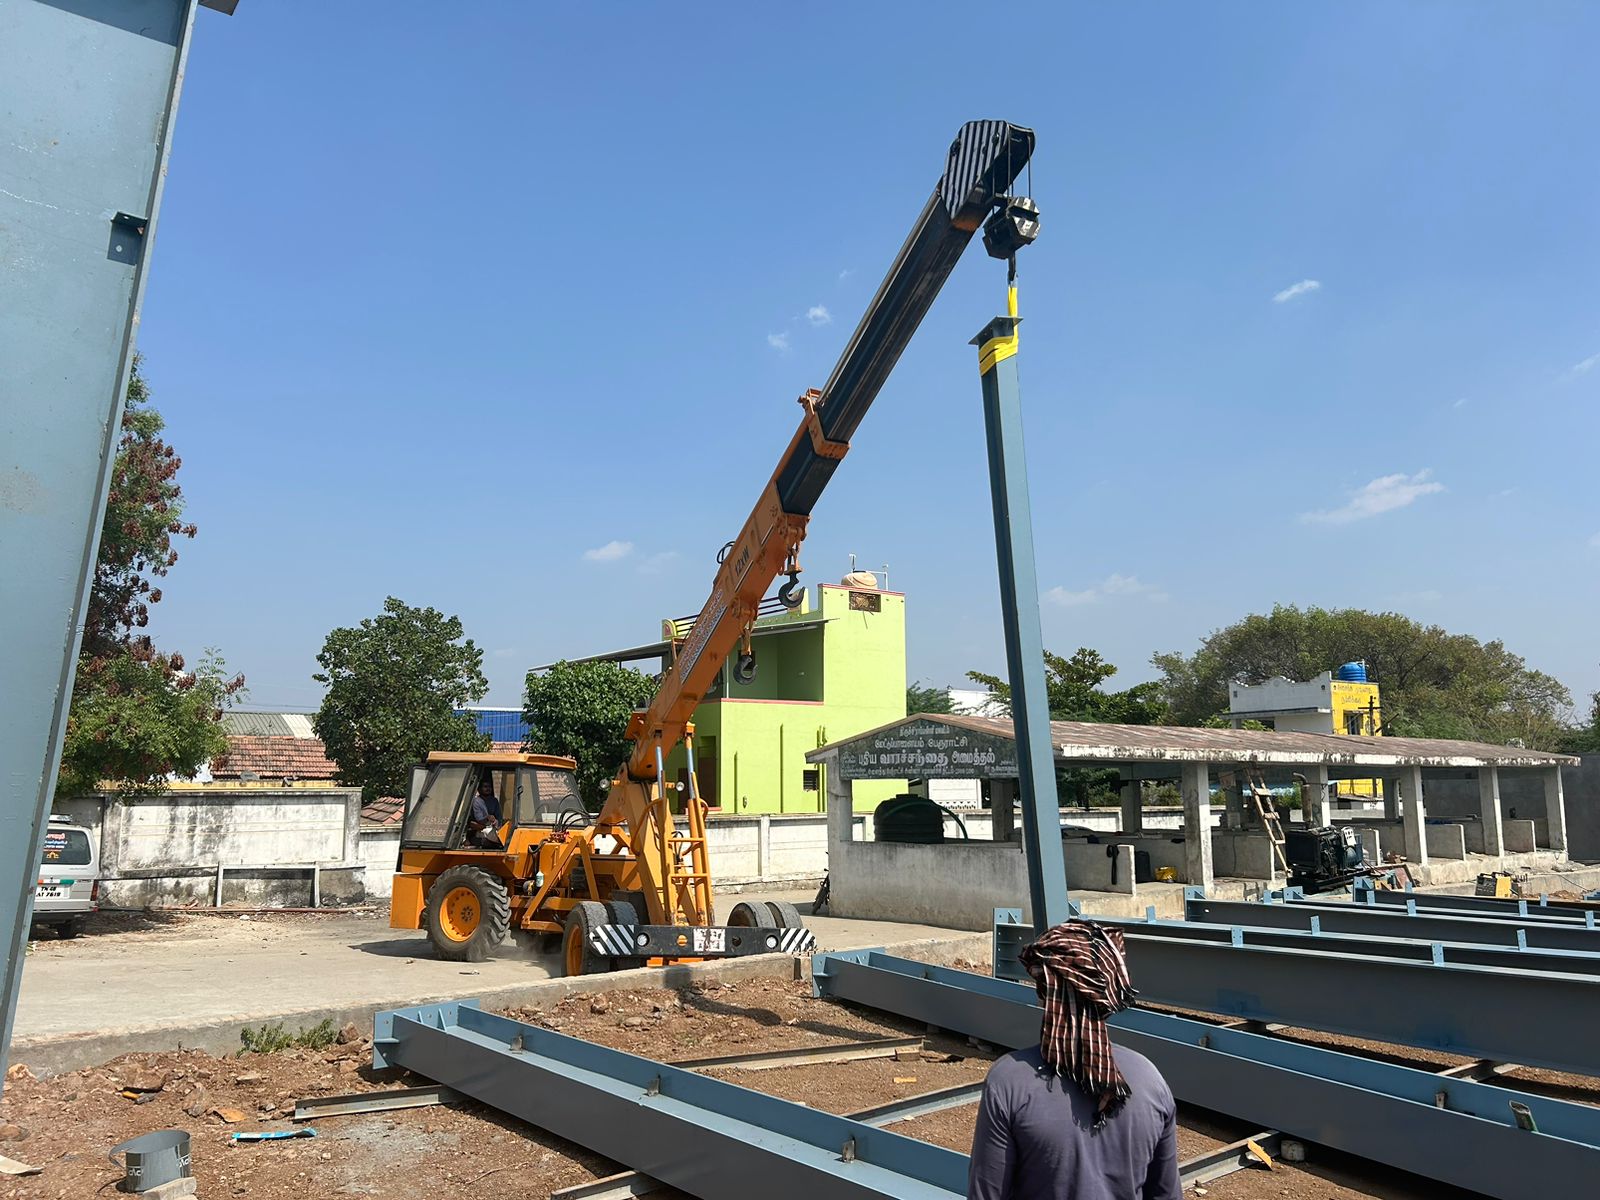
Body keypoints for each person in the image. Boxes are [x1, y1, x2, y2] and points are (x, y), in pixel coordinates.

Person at [968, 920, 1180, 1200]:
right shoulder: (1150, 1080)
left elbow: (987, 1193)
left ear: (1044, 995)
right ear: (1107, 1001)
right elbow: (1166, 1194)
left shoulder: (1008, 1081)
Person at [466, 775, 504, 849]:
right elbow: (479, 819)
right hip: (481, 829)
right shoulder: (476, 801)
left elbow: (499, 817)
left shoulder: (494, 801)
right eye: (485, 787)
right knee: (496, 838)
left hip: (493, 827)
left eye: (489, 787)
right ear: (479, 789)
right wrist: (487, 818)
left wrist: (496, 822)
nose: (488, 789)